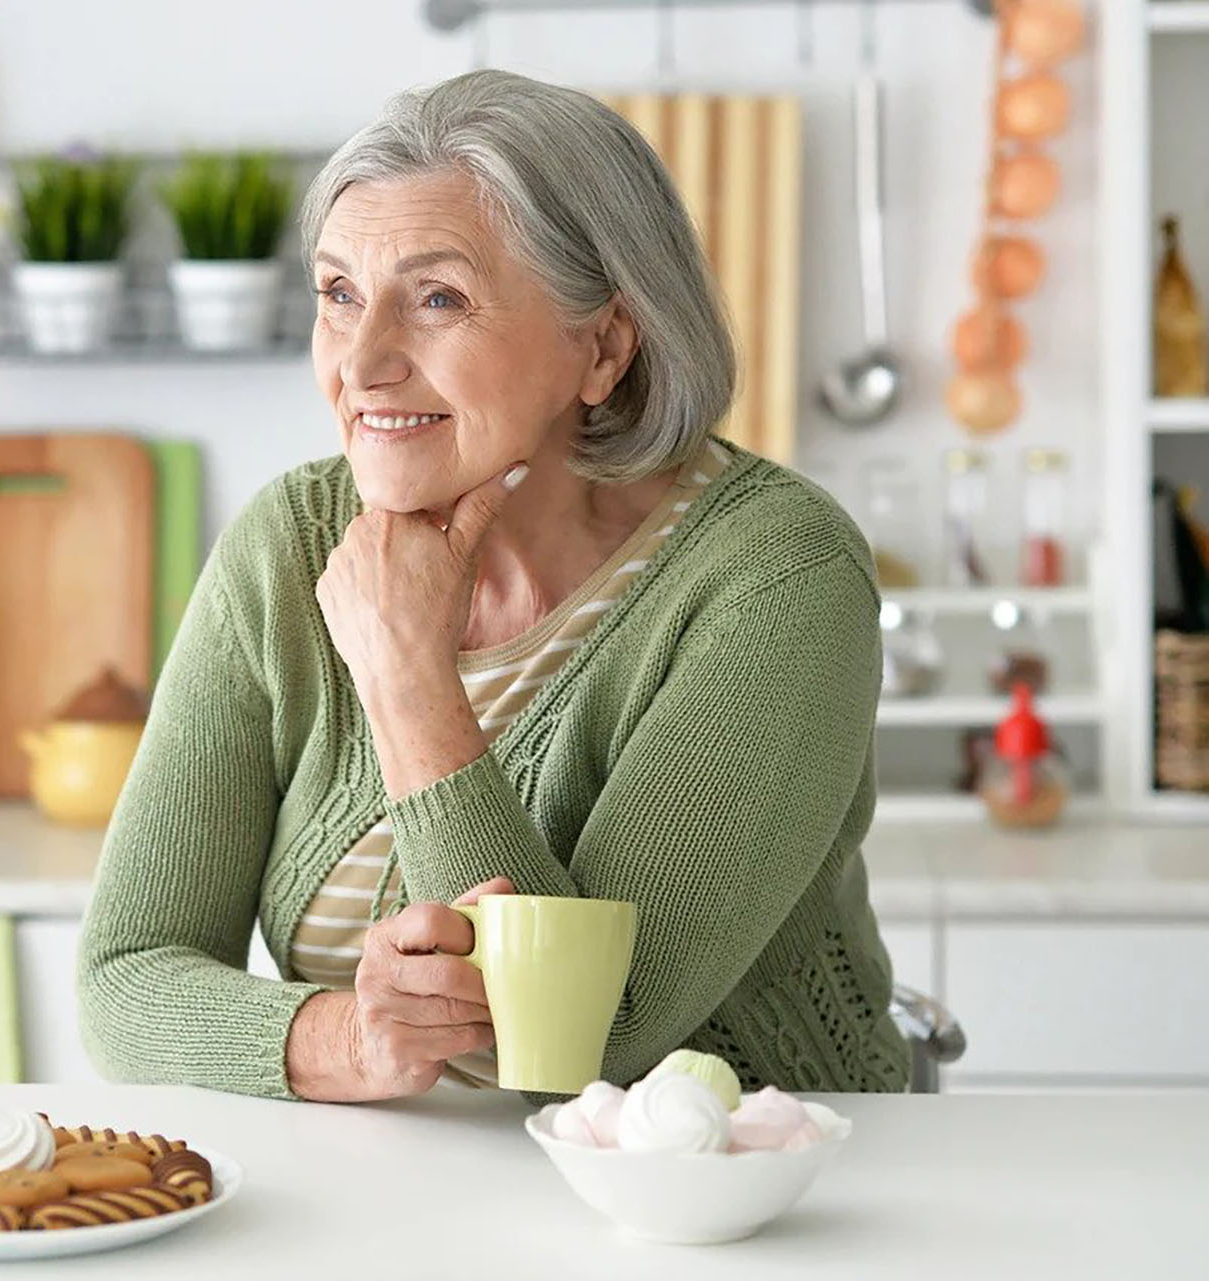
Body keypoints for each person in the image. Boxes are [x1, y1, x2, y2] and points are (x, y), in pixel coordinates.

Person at [79, 69, 910, 1102]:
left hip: (741, 1209)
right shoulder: (286, 545)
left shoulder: (777, 577)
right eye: (339, 294)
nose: (363, 363)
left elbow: (585, 1045)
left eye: (438, 299)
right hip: (406, 1210)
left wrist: (406, 676)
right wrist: (350, 1040)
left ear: (602, 346)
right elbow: (124, 981)